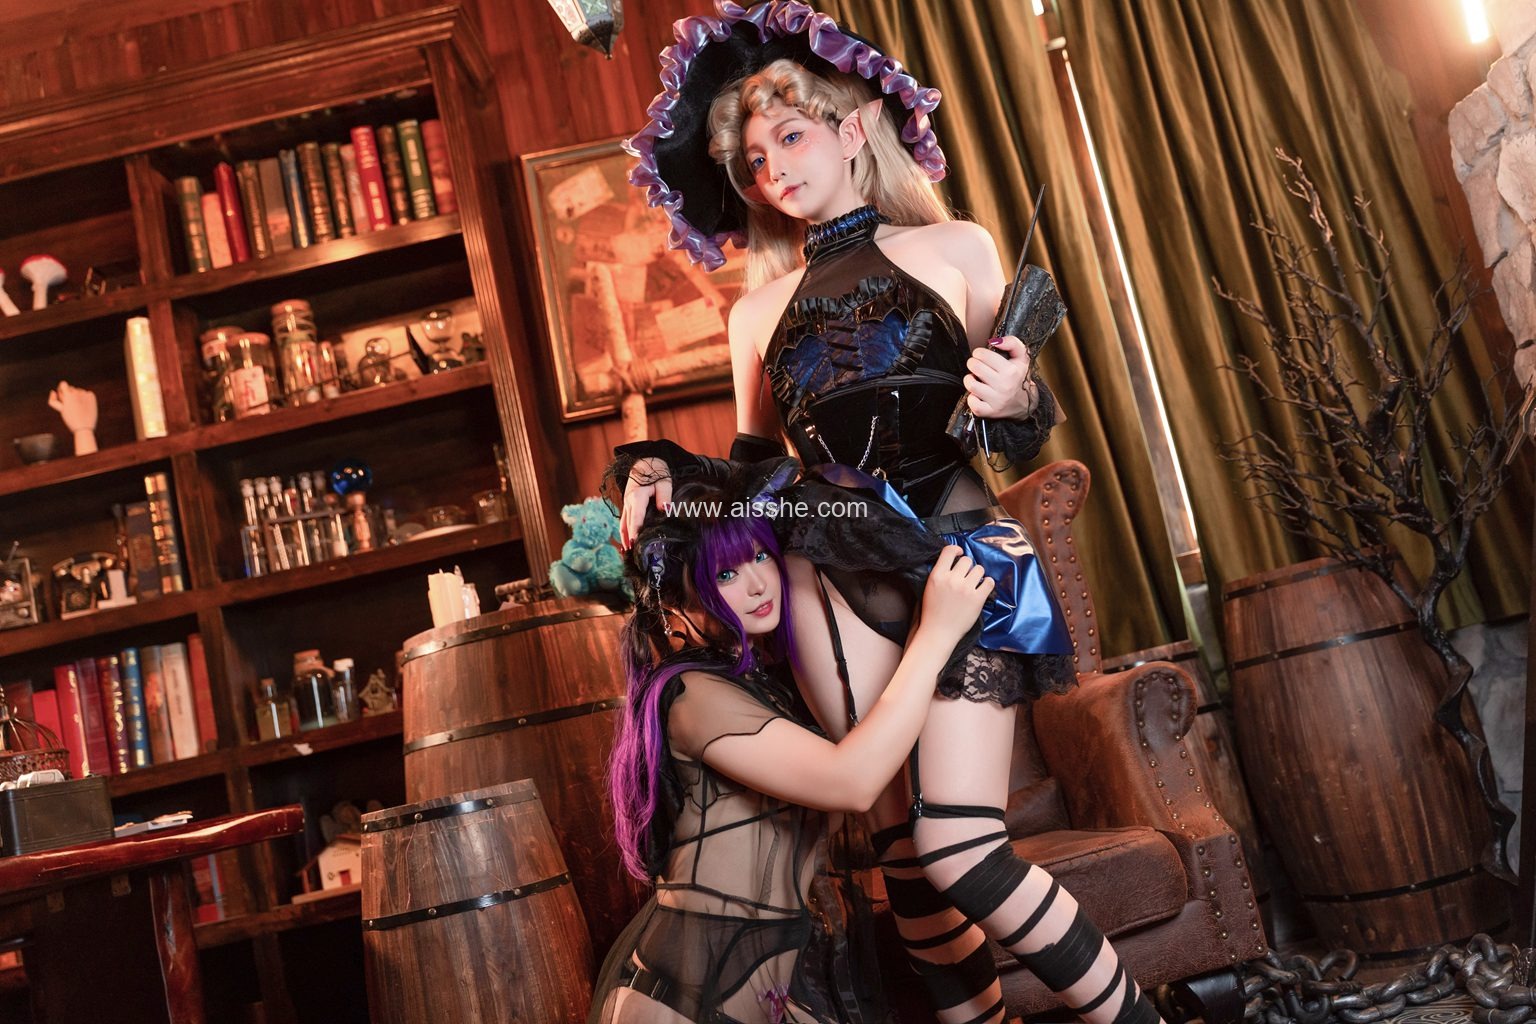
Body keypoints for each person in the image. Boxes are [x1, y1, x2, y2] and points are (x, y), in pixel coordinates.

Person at [617, 5, 1164, 1024]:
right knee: (906, 853)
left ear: (854, 125)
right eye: (754, 160)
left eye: (791, 136)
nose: (774, 168)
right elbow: (752, 476)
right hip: (835, 583)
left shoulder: (959, 246)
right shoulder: (753, 313)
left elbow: (1017, 425)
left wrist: (1016, 394)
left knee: (960, 845)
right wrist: (661, 482)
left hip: (963, 555)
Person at [592, 468, 995, 1023]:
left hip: (767, 985)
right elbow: (852, 782)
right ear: (678, 605)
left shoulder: (764, 683)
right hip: (684, 1000)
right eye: (726, 573)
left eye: (761, 555)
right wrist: (936, 633)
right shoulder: (692, 693)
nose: (759, 583)